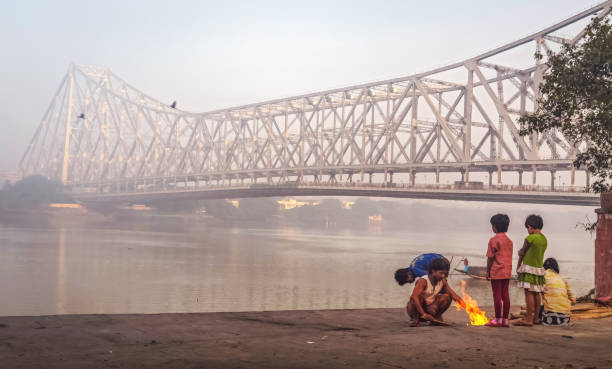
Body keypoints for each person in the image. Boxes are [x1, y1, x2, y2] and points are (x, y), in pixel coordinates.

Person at [406, 257, 465, 326]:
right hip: (415, 309)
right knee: (418, 296)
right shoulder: (423, 281)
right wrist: (423, 314)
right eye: (441, 273)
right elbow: (414, 297)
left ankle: (436, 317)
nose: (443, 276)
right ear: (433, 271)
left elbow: (453, 295)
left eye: (445, 274)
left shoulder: (442, 281)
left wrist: (469, 307)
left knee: (447, 297)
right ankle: (416, 319)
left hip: (429, 308)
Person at [514, 214, 547, 326]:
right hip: (539, 268)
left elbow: (522, 253)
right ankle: (536, 318)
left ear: (530, 227)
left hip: (528, 268)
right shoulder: (544, 239)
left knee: (528, 293)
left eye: (527, 228)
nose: (528, 230)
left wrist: (518, 266)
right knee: (537, 293)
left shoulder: (530, 238)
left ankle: (528, 319)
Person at [484, 213, 513, 328]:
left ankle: (497, 319)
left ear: (495, 226)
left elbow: (490, 258)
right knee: (505, 295)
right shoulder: (509, 241)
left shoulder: (493, 240)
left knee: (496, 295)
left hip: (496, 272)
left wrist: (488, 271)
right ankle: (505, 320)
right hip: (507, 272)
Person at [541, 258, 575, 326]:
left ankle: (537, 317)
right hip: (566, 317)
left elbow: (539, 291)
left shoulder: (543, 276)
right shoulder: (561, 279)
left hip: (550, 317)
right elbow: (573, 300)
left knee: (540, 294)